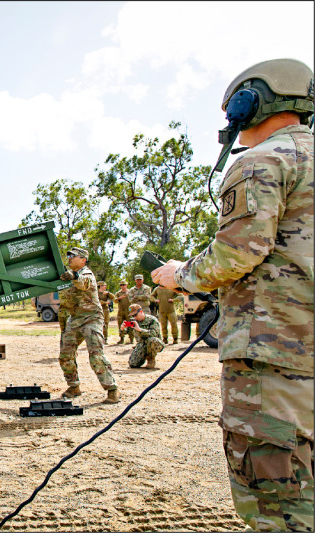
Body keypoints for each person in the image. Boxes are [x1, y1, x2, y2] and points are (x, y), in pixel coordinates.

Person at [151, 58, 314, 531]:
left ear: (250, 103)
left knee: (278, 501)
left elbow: (237, 254)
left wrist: (180, 274)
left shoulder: (264, 161)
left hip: (276, 355)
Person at [57, 247, 119, 404]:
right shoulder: (66, 277)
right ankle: (74, 387)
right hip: (75, 318)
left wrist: (74, 275)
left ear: (83, 260)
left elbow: (84, 283)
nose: (69, 258)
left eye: (73, 256)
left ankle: (112, 390)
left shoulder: (86, 273)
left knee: (96, 355)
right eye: (68, 256)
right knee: (65, 355)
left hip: (91, 318)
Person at [121, 304, 164, 369]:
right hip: (141, 344)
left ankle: (151, 359)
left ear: (141, 311)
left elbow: (153, 333)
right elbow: (126, 332)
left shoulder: (152, 320)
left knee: (151, 340)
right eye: (132, 315)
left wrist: (140, 330)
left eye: (135, 315)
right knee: (133, 364)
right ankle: (143, 356)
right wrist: (122, 329)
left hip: (155, 344)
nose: (134, 317)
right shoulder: (133, 321)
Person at [114, 280, 134, 345]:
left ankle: (131, 339)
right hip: (121, 311)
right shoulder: (118, 293)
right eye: (121, 285)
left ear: (126, 285)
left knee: (130, 324)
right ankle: (121, 338)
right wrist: (120, 298)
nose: (122, 286)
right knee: (120, 324)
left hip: (129, 311)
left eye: (124, 285)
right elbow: (115, 300)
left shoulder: (130, 292)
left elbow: (134, 299)